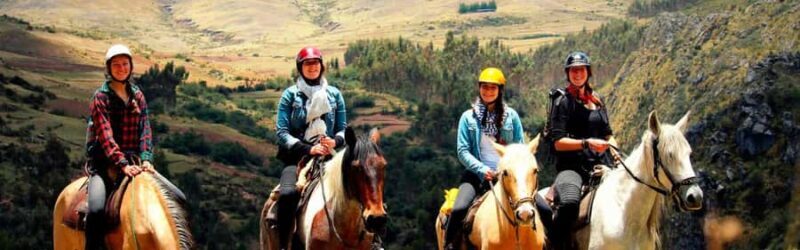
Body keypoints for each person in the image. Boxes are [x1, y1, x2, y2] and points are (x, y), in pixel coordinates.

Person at [443, 67, 524, 250]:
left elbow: (519, 148)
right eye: (484, 87)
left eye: (492, 88)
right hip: (477, 175)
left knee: (542, 208)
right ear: (479, 88)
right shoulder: (467, 118)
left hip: (508, 176)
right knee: (459, 209)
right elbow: (463, 151)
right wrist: (482, 170)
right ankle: (449, 245)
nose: (488, 91)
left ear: (500, 90)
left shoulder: (512, 117)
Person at [274, 46, 346, 250]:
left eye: (316, 63)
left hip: (331, 157)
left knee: (361, 186)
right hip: (298, 159)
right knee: (287, 195)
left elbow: (342, 129)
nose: (312, 67)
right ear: (300, 68)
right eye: (308, 64)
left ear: (322, 66)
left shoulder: (334, 94)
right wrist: (308, 149)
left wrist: (335, 142)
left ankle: (374, 241)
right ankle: (283, 245)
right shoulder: (290, 96)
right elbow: (282, 132)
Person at [546, 51, 619, 250]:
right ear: (568, 73)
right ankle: (554, 245)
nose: (577, 74)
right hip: (572, 168)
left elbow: (607, 134)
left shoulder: (597, 100)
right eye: (573, 71)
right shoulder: (562, 102)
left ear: (588, 72)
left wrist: (615, 151)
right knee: (569, 203)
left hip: (603, 164)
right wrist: (586, 143)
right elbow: (558, 142)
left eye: (581, 70)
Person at [85, 44, 153, 250]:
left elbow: (145, 129)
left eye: (125, 64)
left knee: (178, 198)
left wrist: (147, 157)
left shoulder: (138, 96)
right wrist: (122, 164)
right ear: (109, 68)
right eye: (116, 65)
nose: (121, 68)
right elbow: (105, 136)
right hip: (105, 164)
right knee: (96, 210)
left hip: (136, 162)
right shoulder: (100, 98)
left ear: (131, 66)